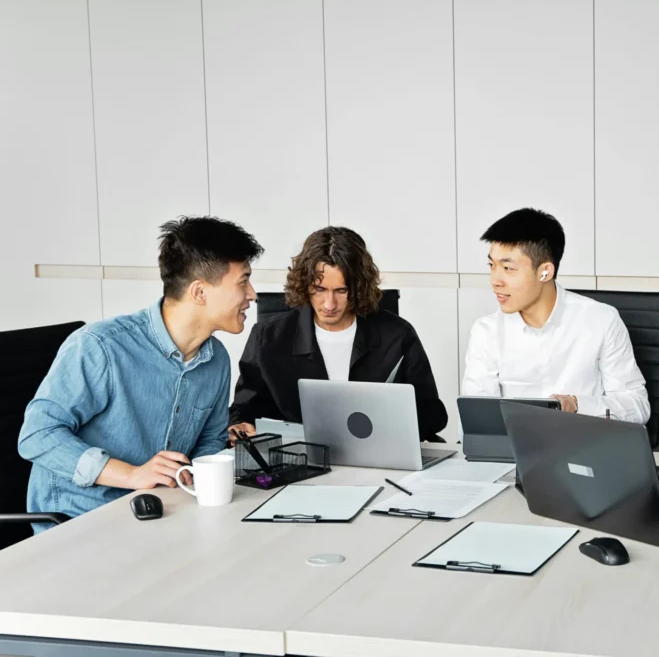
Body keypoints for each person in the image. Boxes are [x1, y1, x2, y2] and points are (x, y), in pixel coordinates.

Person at [18, 216, 264, 531]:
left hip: (162, 514)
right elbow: (37, 435)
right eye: (243, 281)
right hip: (79, 523)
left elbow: (208, 441)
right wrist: (132, 475)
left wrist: (205, 469)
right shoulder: (101, 347)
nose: (253, 294)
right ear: (199, 292)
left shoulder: (215, 360)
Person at [228, 226, 447, 442]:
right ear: (305, 284)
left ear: (359, 287)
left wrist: (390, 427)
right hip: (297, 460)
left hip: (376, 458)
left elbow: (432, 412)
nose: (329, 304)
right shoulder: (268, 337)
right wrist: (239, 426)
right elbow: (243, 409)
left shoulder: (398, 335)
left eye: (342, 291)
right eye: (319, 289)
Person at [462, 208, 649, 424]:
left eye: (507, 268)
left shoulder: (601, 321)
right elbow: (475, 420)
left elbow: (637, 406)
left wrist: (577, 405)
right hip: (514, 454)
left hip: (586, 450)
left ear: (545, 272)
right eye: (492, 265)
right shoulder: (486, 332)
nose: (495, 280)